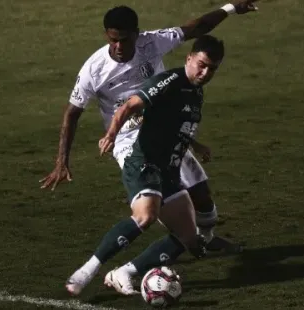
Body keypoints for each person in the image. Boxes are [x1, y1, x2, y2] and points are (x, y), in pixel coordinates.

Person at [40, 1, 258, 251]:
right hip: (127, 139)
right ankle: (126, 268)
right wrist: (61, 162)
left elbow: (197, 27)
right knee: (165, 205)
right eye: (113, 40)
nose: (119, 46)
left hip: (166, 129)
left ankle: (206, 240)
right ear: (106, 35)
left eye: (124, 39)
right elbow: (72, 113)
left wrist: (231, 8)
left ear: (136, 34)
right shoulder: (93, 69)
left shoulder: (151, 43)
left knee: (201, 194)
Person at [67, 34, 226, 296]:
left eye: (212, 68)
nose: (205, 72)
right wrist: (110, 135)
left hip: (169, 171)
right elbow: (129, 105)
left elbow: (177, 128)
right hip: (145, 162)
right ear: (189, 58)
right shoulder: (170, 81)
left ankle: (124, 273)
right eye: (202, 64)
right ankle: (86, 272)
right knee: (146, 215)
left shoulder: (195, 92)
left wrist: (197, 146)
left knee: (191, 241)